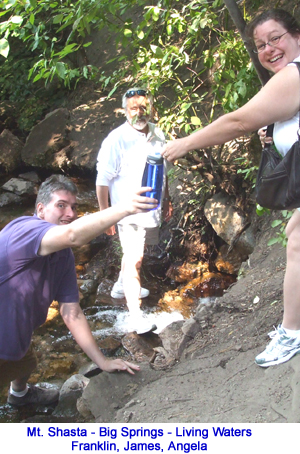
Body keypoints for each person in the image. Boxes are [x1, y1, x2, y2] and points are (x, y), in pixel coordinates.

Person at [162, 9, 300, 368]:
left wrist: (186, 143)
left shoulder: (293, 75)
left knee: (297, 242)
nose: (269, 49)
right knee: (293, 232)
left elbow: (238, 120)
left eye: (276, 38)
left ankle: (292, 333)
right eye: (260, 45)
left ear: (297, 36)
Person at [0, 174, 158, 406]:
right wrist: (124, 208)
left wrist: (102, 361)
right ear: (41, 209)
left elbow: (71, 312)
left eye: (74, 207)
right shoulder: (25, 229)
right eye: (61, 206)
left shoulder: (62, 256)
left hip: (16, 334)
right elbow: (73, 235)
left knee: (26, 360)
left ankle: (19, 395)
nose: (71, 214)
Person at [96, 87, 172, 332]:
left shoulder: (159, 133)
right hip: (126, 212)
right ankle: (136, 317)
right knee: (135, 259)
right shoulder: (116, 140)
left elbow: (164, 171)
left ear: (152, 108)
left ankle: (120, 285)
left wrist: (167, 199)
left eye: (144, 108)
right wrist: (106, 215)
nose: (139, 113)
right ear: (124, 111)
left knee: (137, 255)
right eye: (133, 109)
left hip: (151, 210)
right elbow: (102, 181)